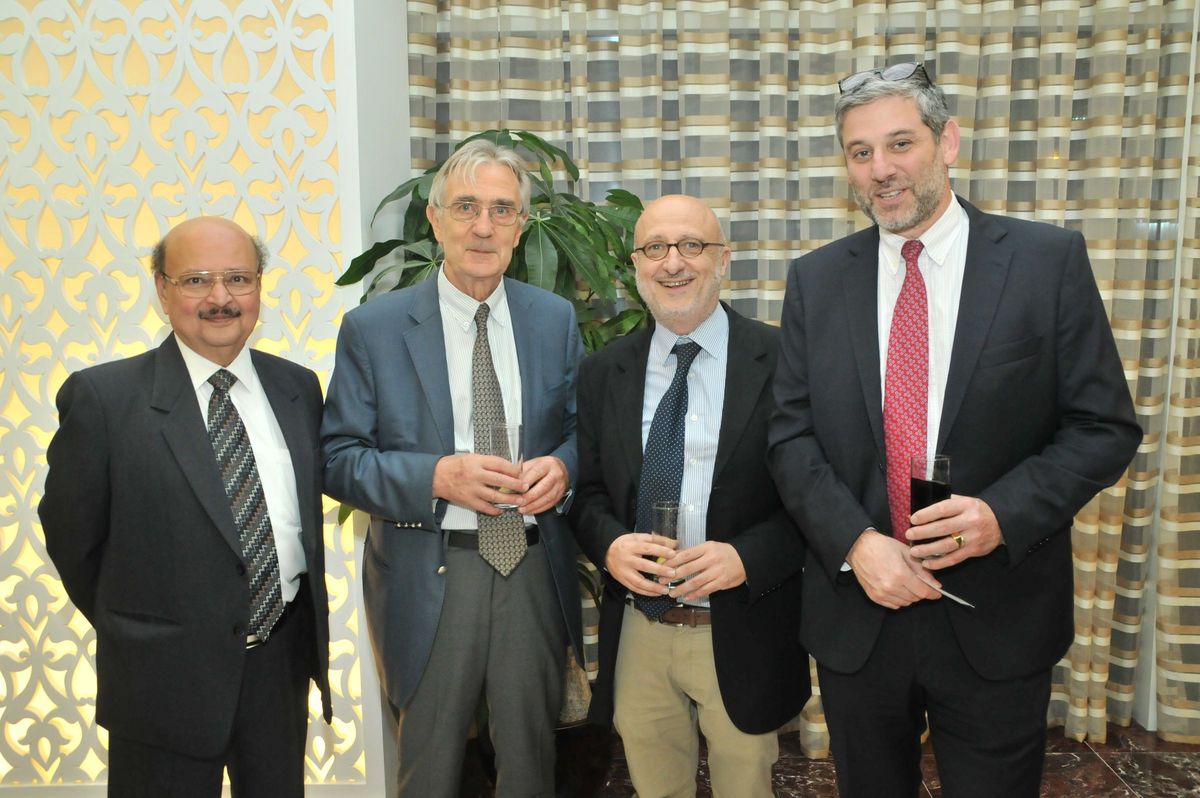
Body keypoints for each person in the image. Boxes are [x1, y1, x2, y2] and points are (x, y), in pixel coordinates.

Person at [767, 62, 1142, 797]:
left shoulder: (1046, 262)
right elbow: (790, 437)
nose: (881, 169)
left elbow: (1103, 428)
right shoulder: (816, 279)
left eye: (900, 143)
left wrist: (1002, 514)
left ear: (949, 142)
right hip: (861, 609)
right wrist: (855, 543)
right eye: (861, 152)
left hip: (997, 613)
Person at [321, 139, 584, 797]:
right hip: (429, 569)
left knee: (531, 767)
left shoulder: (553, 320)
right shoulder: (374, 329)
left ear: (522, 227)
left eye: (502, 209)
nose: (483, 226)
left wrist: (564, 468)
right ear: (435, 220)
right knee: (429, 770)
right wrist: (436, 477)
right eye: (466, 207)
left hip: (531, 568)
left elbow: (582, 432)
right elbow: (338, 459)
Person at [39, 217, 332, 797]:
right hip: (161, 684)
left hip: (278, 673)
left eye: (238, 278)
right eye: (197, 280)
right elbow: (74, 540)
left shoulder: (298, 388)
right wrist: (147, 630)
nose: (220, 298)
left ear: (259, 285)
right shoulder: (104, 399)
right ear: (162, 288)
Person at [570, 194, 808, 797]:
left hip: (742, 626)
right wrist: (611, 546)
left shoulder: (785, 360)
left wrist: (746, 557)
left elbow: (815, 495)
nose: (672, 262)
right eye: (655, 248)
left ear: (723, 259)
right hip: (641, 630)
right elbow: (588, 494)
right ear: (635, 266)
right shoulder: (603, 373)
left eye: (691, 246)